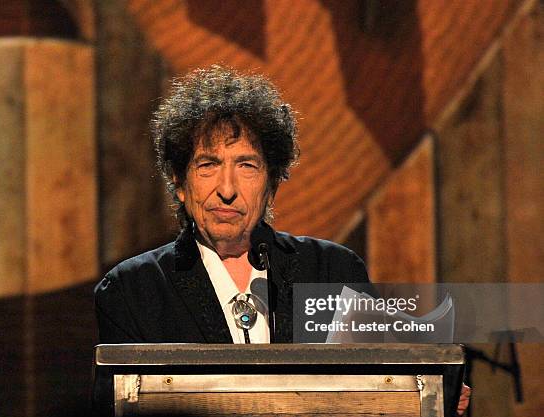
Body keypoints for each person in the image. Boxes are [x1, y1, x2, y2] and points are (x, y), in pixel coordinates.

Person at [95, 65, 369, 345]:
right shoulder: (134, 290)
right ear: (179, 183)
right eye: (208, 165)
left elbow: (378, 385)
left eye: (247, 166)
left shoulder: (334, 273)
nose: (227, 190)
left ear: (271, 183)